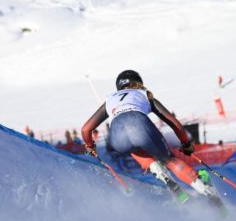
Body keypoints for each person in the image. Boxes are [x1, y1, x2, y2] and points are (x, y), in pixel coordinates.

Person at [81, 70, 223, 208]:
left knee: (133, 148)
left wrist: (90, 146)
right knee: (169, 160)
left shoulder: (110, 99)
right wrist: (186, 143)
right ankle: (208, 192)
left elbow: (85, 129)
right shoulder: (144, 94)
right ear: (138, 82)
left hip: (117, 137)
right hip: (139, 124)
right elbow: (174, 123)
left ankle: (162, 176)